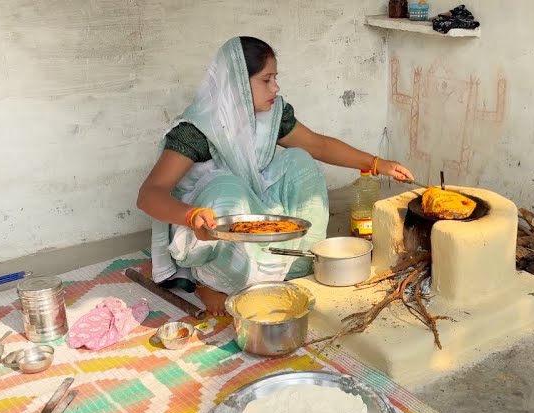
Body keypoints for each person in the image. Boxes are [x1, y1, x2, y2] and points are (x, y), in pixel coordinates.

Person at [137, 36, 415, 315]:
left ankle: (293, 265)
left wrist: (378, 163)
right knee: (226, 186)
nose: (275, 87)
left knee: (299, 160)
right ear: (237, 85)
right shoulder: (199, 128)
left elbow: (318, 145)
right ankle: (210, 281)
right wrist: (191, 216)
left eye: (275, 78)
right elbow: (150, 194)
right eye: (266, 80)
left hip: (253, 210)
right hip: (206, 227)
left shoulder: (272, 115)